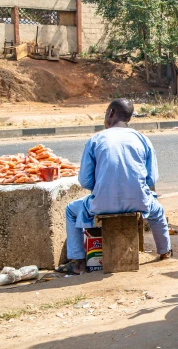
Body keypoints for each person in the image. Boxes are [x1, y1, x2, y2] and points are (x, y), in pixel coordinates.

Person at [59, 99, 171, 274]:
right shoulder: (142, 139)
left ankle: (78, 262)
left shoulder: (95, 139)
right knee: (157, 213)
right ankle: (164, 252)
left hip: (102, 205)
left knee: (71, 211)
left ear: (110, 113)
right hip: (139, 202)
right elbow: (151, 179)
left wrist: (103, 188)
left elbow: (85, 181)